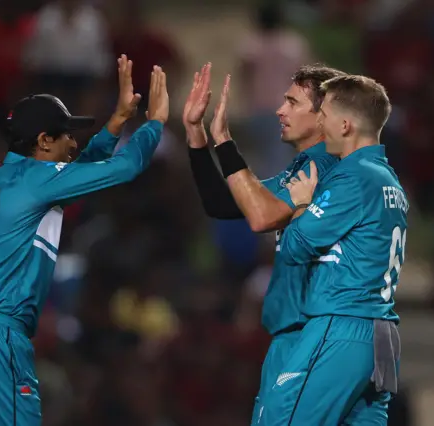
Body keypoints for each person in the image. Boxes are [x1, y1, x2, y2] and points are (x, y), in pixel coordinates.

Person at [0, 55, 169, 426]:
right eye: (65, 134)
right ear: (43, 140)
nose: (72, 142)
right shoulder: (37, 182)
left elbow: (74, 179)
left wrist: (114, 125)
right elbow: (126, 167)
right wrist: (155, 124)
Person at [183, 63, 344, 424]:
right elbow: (223, 205)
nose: (279, 111)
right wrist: (197, 136)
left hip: (330, 341)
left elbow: (259, 217)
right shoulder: (303, 172)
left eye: (293, 103)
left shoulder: (341, 175)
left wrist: (223, 142)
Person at [267, 75, 406, 424]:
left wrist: (300, 204)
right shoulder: (390, 181)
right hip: (380, 334)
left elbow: (295, 246)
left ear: (345, 124)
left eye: (324, 114)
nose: (320, 123)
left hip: (341, 326)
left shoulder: (354, 176)